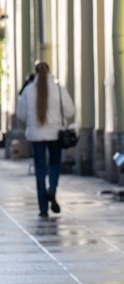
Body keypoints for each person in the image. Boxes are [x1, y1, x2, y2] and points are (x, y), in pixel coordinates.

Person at [16, 62, 75, 218]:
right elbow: (70, 111)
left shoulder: (28, 91)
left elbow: (21, 115)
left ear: (35, 73)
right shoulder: (58, 90)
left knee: (40, 169)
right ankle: (52, 190)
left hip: (36, 135)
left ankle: (43, 208)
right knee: (55, 164)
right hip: (55, 134)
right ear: (49, 72)